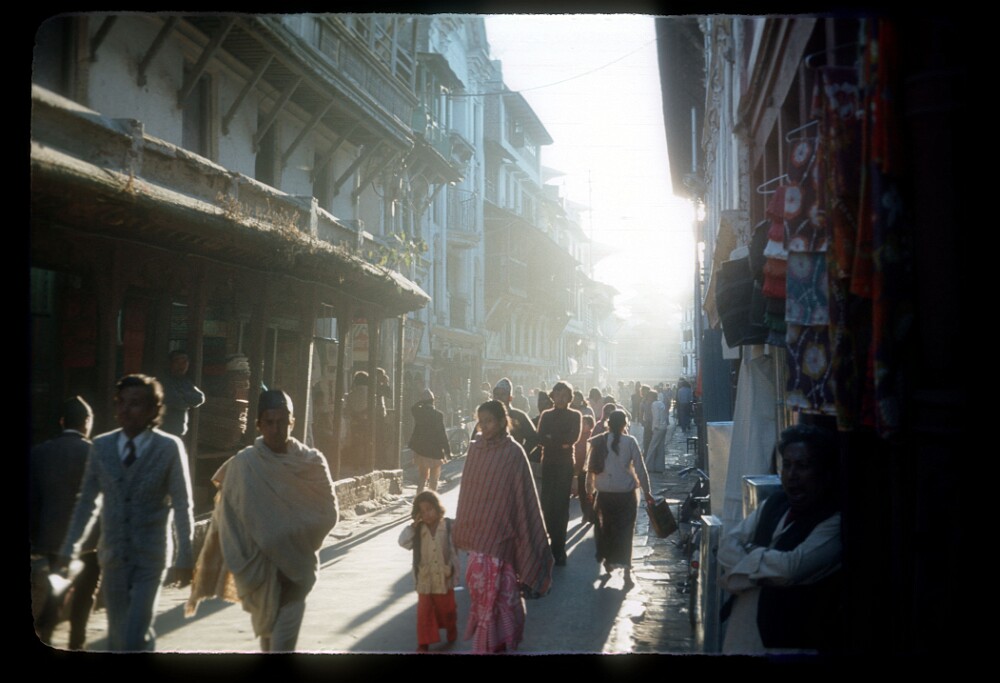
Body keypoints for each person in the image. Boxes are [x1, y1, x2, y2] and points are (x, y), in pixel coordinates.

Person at [186, 389, 339, 652]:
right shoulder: (244, 464)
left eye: (282, 421)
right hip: (257, 571)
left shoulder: (311, 463)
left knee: (281, 645)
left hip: (295, 571)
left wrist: (284, 538)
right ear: (258, 424)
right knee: (268, 643)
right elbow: (227, 519)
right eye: (269, 422)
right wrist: (247, 554)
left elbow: (328, 513)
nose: (276, 428)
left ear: (292, 422)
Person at [56, 374, 194, 652]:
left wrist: (185, 556)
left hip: (150, 557)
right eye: (121, 402)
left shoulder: (168, 448)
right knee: (119, 636)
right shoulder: (102, 446)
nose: (125, 409)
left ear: (153, 410)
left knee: (133, 633)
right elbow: (87, 502)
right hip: (114, 557)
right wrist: (70, 547)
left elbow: (182, 504)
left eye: (135, 403)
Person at [718, 423, 842, 655]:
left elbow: (790, 568)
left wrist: (750, 553)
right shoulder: (774, 504)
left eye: (802, 466)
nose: (792, 475)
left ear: (824, 473)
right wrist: (768, 570)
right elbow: (726, 547)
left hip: (790, 646)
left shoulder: (833, 522)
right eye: (787, 465)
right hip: (742, 635)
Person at [452, 400, 552, 653]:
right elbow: (467, 493)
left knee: (503, 594)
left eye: (489, 421)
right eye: (481, 422)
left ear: (501, 421)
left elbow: (524, 496)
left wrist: (523, 532)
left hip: (504, 534)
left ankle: (499, 641)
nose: (484, 426)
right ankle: (490, 642)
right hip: (478, 535)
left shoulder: (513, 452)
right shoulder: (475, 450)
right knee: (481, 592)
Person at [30, 396, 101, 650]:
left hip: (54, 537)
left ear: (62, 422)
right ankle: (76, 640)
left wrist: (37, 535)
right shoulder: (96, 453)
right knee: (85, 593)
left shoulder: (40, 453)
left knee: (58, 586)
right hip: (90, 540)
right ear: (87, 422)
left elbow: (33, 500)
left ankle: (45, 631)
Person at [586, 410, 654, 591]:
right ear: (625, 424)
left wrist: (589, 490)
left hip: (604, 494)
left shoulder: (599, 441)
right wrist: (647, 492)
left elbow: (590, 470)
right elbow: (640, 468)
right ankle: (626, 569)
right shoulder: (630, 442)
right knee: (626, 531)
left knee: (607, 528)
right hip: (625, 494)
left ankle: (609, 561)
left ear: (608, 424)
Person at [398, 490, 459, 652]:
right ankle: (423, 643)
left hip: (444, 577)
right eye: (422, 511)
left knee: (447, 610)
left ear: (437, 508)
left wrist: (455, 572)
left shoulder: (448, 526)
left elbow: (458, 545)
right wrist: (413, 526)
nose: (427, 514)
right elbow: (402, 542)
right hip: (424, 578)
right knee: (424, 612)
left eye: (429, 509)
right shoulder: (418, 530)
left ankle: (451, 630)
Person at [537, 381, 582, 566]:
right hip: (548, 463)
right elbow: (541, 438)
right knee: (547, 504)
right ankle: (549, 539)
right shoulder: (546, 415)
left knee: (561, 506)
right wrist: (559, 441)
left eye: (564, 395)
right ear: (552, 396)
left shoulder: (575, 415)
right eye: (557, 395)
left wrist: (552, 439)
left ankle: (559, 548)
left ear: (570, 398)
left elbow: (572, 438)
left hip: (565, 464)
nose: (561, 399)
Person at [408, 389, 451, 493]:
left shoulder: (419, 413)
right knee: (434, 480)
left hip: (421, 450)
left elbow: (413, 408)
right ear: (433, 401)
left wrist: (421, 402)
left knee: (422, 477)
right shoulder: (438, 415)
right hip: (435, 451)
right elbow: (442, 434)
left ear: (423, 402)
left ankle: (419, 496)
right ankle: (432, 497)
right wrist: (447, 451)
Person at [160, 349, 206, 438]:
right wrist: (187, 399)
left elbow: (200, 397)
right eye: (177, 362)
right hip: (164, 430)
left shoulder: (185, 381)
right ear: (171, 363)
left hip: (178, 431)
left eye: (184, 362)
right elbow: (176, 401)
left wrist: (183, 394)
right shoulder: (164, 381)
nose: (181, 365)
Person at [492, 377, 539, 462]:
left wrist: (520, 455)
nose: (499, 397)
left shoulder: (519, 416)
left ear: (510, 398)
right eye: (496, 394)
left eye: (503, 394)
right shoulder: (487, 417)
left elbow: (533, 439)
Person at [645, 390, 669, 473]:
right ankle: (659, 467)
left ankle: (648, 466)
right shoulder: (661, 403)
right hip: (663, 427)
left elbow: (656, 417)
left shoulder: (654, 404)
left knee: (652, 447)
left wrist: (654, 427)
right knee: (660, 448)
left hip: (658, 427)